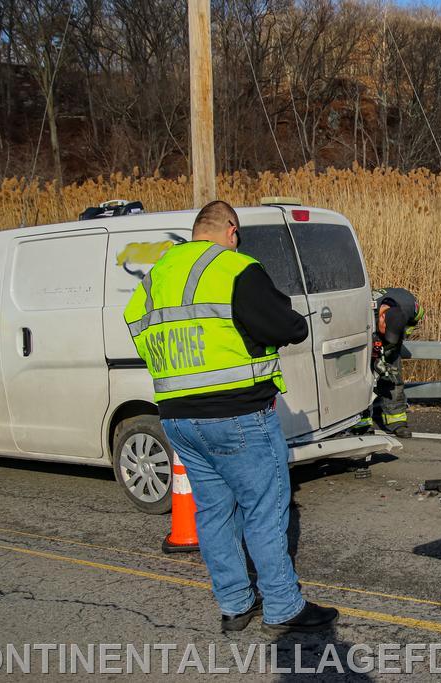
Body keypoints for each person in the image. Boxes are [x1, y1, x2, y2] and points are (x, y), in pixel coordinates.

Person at [123, 200, 338, 636]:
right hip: (237, 415)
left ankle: (235, 605)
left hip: (178, 418)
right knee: (265, 509)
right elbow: (288, 327)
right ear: (231, 231)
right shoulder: (235, 268)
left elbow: (138, 329)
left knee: (214, 513)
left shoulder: (154, 279)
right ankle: (281, 607)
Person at [354, 287, 424, 438]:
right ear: (381, 318)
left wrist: (402, 333)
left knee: (392, 376)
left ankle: (397, 421)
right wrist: (376, 357)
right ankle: (361, 422)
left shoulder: (409, 305)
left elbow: (419, 316)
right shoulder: (365, 310)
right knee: (363, 379)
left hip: (393, 335)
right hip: (367, 337)